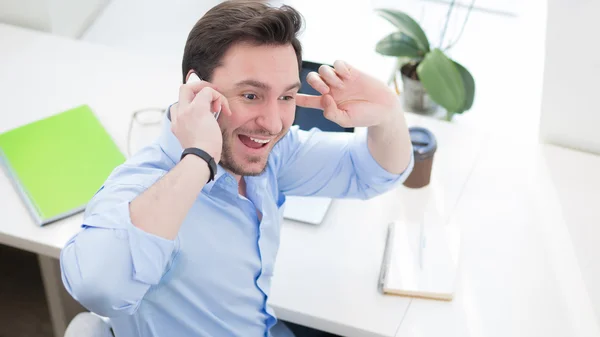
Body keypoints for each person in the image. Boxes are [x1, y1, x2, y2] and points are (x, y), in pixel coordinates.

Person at [59, 1, 414, 336]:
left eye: (286, 96)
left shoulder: (270, 153)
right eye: (251, 95)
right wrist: (200, 158)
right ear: (196, 89)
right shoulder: (144, 187)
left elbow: (369, 172)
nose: (273, 123)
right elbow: (99, 290)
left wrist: (388, 115)